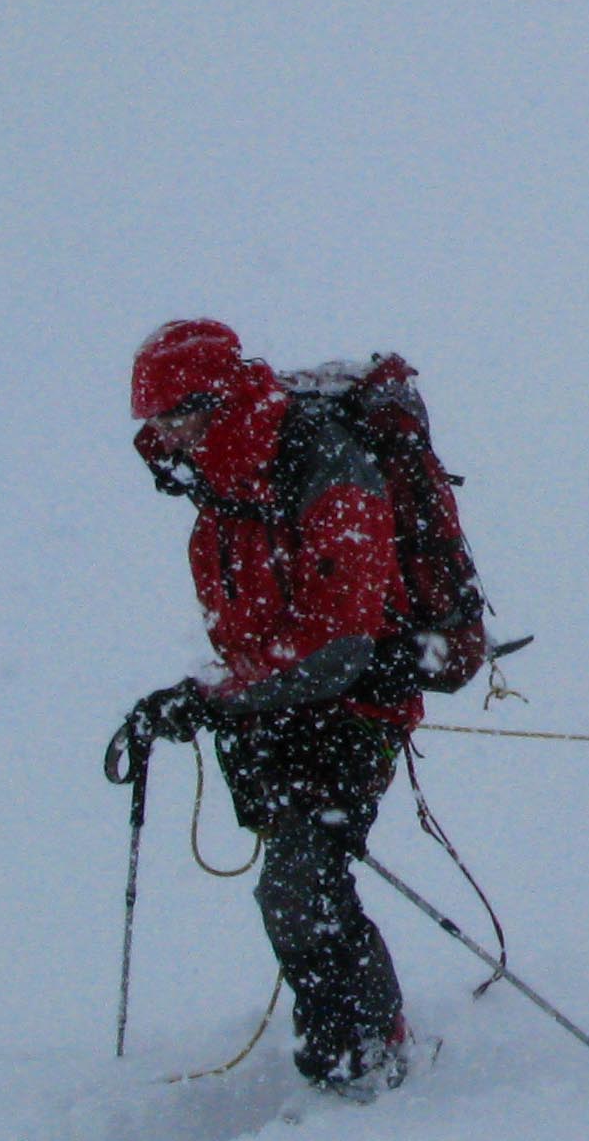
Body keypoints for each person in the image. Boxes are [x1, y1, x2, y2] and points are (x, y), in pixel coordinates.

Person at [113, 317, 423, 1095]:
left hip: (360, 704)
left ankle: (362, 1061)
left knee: (301, 885)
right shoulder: (223, 489)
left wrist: (220, 698)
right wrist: (207, 700)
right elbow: (257, 635)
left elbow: (342, 637)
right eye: (157, 425)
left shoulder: (324, 463)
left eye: (176, 418)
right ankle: (354, 1050)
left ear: (216, 402)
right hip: (286, 713)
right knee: (302, 882)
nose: (168, 439)